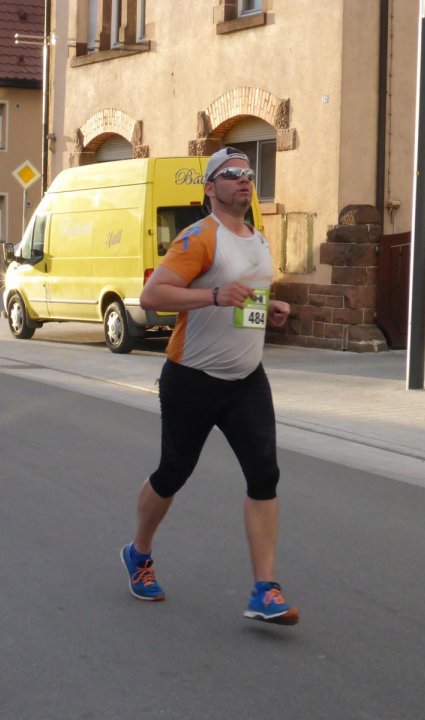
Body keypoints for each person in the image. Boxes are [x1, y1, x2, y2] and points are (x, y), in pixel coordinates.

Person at [120, 147, 299, 625]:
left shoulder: (258, 240)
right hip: (192, 378)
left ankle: (265, 589)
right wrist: (215, 295)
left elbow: (245, 300)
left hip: (246, 378)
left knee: (264, 475)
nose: (244, 179)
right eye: (231, 173)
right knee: (173, 472)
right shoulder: (199, 236)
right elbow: (152, 295)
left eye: (248, 173)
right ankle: (139, 553)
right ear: (210, 187)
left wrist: (268, 309)